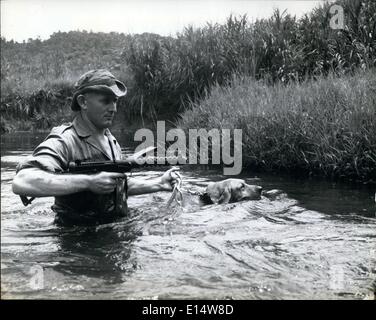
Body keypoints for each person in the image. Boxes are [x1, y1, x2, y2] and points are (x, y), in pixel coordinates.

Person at [12, 69, 179, 226]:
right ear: (83, 102)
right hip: (78, 245)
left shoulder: (110, 139)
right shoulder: (65, 140)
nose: (113, 108)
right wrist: (88, 182)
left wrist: (159, 184)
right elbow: (23, 180)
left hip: (115, 235)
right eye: (105, 101)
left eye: (115, 101)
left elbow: (114, 185)